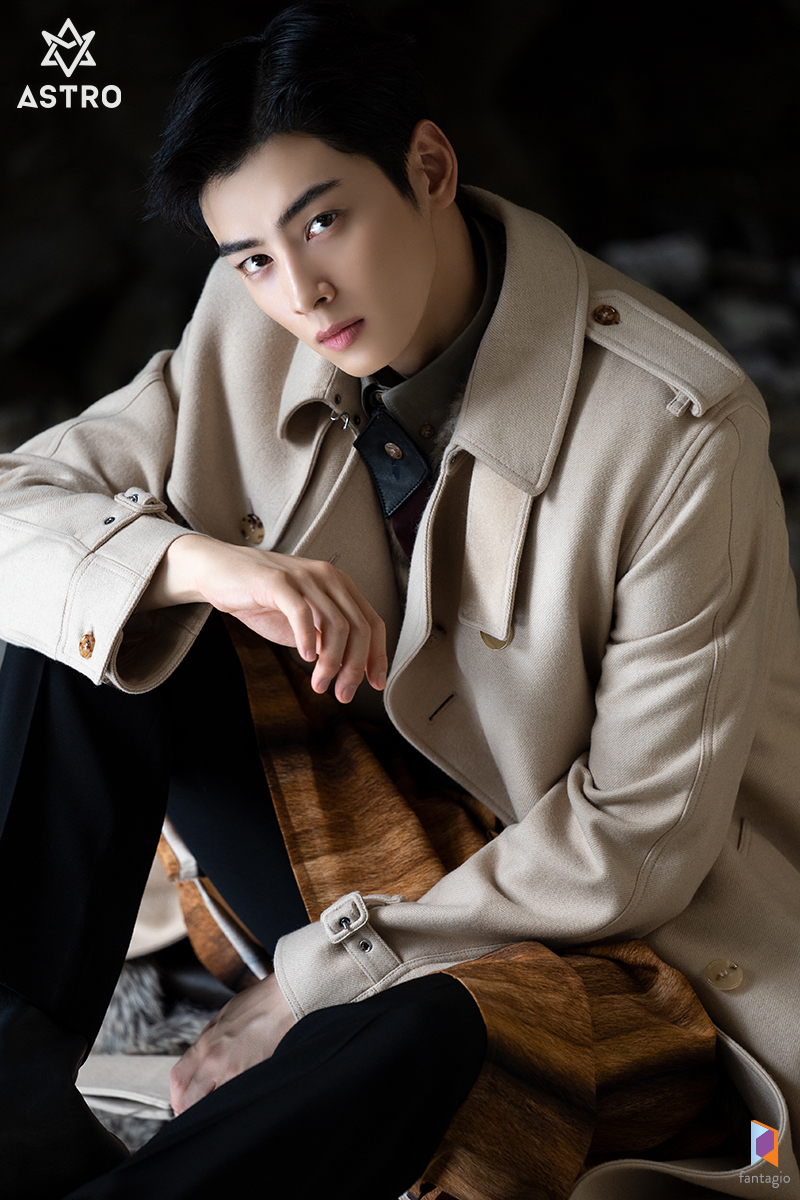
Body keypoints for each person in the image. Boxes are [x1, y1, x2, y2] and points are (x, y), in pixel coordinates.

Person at [1, 3, 798, 1198]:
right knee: (104, 611)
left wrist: (313, 979)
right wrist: (205, 566)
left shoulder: (676, 429)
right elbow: (20, 507)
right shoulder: (250, 326)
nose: (301, 294)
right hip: (359, 826)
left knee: (428, 1037)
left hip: (601, 928)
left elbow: (638, 841)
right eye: (252, 258)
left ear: (428, 168)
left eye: (324, 221)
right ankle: (11, 1108)